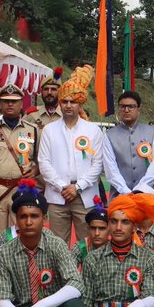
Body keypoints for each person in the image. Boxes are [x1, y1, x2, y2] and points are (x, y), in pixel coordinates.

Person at [38, 66, 104, 244]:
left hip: (85, 194)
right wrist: (62, 186)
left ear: (80, 103)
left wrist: (78, 187)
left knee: (88, 243)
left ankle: (87, 273)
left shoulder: (93, 130)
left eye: (73, 101)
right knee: (57, 244)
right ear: (60, 103)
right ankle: (60, 273)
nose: (68, 105)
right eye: (64, 101)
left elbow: (98, 164)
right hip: (57, 195)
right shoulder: (49, 130)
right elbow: (44, 163)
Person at [0, 85, 40, 250]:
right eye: (6, 102)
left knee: (21, 235)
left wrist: (36, 170)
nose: (10, 105)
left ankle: (18, 273)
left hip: (21, 189)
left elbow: (41, 161)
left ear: (21, 104)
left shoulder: (33, 130)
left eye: (14, 101)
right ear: (1, 105)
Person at [101, 90, 154, 197]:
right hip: (119, 196)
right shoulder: (109, 135)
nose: (126, 110)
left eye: (131, 106)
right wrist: (126, 192)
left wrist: (140, 190)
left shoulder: (152, 132)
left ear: (138, 109)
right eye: (122, 106)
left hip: (146, 196)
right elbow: (110, 169)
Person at [73, 202, 110, 270]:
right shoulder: (82, 246)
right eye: (93, 228)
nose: (97, 233)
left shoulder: (114, 247)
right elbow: (70, 270)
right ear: (88, 229)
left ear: (109, 230)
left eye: (102, 228)